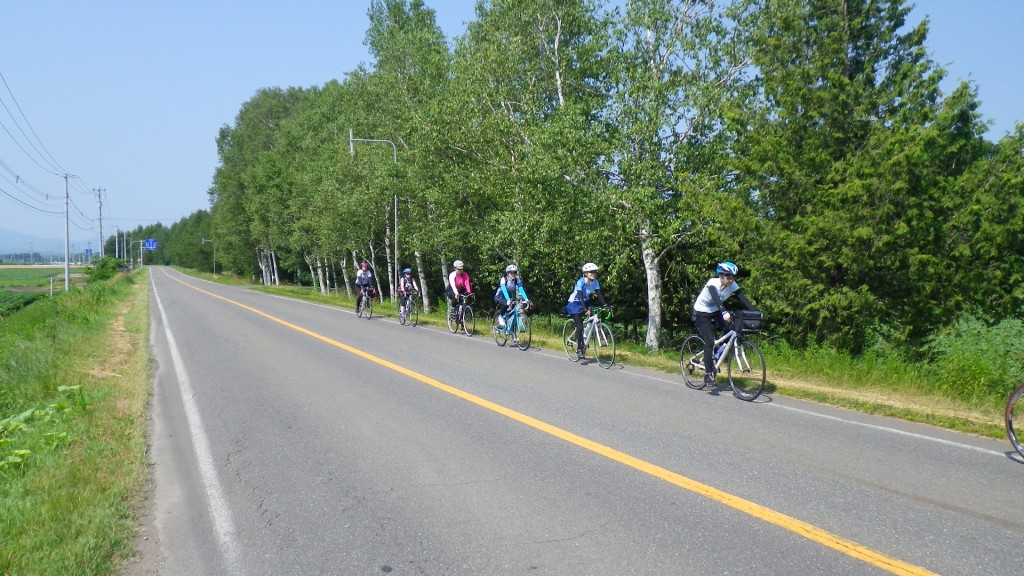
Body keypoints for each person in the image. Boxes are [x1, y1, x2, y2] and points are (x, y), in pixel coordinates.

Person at [692, 261, 753, 385]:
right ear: (721, 275)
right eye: (728, 277)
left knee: (731, 330)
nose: (731, 280)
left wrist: (755, 312)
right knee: (709, 341)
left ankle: (718, 354)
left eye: (733, 277)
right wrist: (724, 312)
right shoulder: (712, 283)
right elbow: (715, 298)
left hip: (716, 311)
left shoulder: (732, 284)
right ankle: (708, 375)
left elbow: (742, 298)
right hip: (701, 313)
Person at [564, 262, 607, 359]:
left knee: (593, 318)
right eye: (591, 272)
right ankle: (579, 348)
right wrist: (584, 309)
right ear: (585, 273)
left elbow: (599, 294)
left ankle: (583, 337)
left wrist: (605, 305)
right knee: (579, 326)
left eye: (595, 272)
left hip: (586, 301)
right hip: (575, 303)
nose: (593, 274)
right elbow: (579, 296)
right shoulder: (580, 282)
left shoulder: (595, 282)